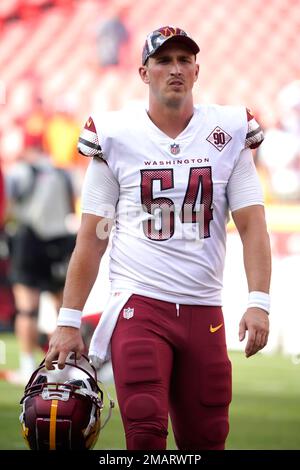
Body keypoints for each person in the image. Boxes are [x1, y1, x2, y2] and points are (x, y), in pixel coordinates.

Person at [45, 26, 271, 450]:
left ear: (197, 70)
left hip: (205, 307)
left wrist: (259, 302)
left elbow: (252, 224)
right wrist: (67, 320)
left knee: (207, 439)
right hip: (140, 305)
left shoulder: (228, 132)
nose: (175, 69)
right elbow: (93, 239)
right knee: (145, 433)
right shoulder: (116, 134)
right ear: (143, 73)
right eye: (164, 61)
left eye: (184, 60)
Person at [6, 145, 76, 382]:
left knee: (27, 308)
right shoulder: (62, 172)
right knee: (62, 309)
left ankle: (28, 366)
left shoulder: (22, 170)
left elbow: (8, 201)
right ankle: (63, 367)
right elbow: (72, 202)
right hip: (59, 240)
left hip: (29, 240)